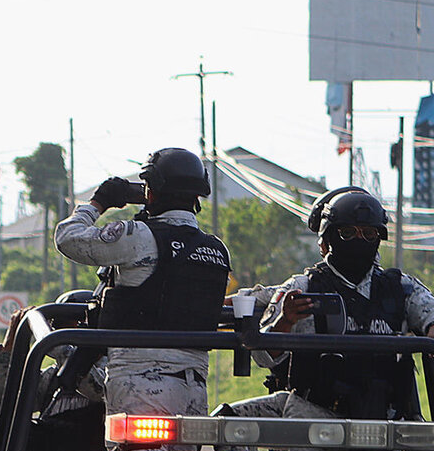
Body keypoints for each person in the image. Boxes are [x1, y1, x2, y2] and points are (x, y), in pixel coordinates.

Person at [219, 186, 434, 422]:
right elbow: (263, 357)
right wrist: (285, 321)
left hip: (389, 423)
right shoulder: (302, 287)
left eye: (369, 234)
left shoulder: (401, 287)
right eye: (348, 233)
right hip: (314, 423)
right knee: (226, 421)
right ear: (329, 237)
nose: (359, 239)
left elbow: (430, 317)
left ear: (378, 238)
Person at [54, 147, 231, 419]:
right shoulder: (217, 250)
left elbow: (68, 237)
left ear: (152, 190)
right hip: (194, 387)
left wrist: (98, 203)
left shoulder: (137, 236)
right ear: (197, 195)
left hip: (139, 383)